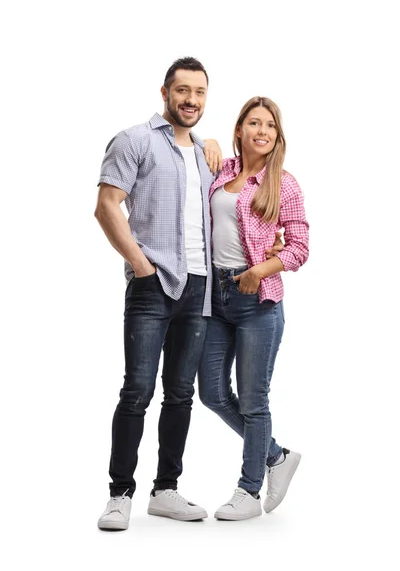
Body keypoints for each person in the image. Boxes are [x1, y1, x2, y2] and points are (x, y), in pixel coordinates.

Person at [95, 58, 283, 530]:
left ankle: (166, 489)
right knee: (137, 389)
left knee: (181, 394)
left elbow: (247, 193)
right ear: (165, 92)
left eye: (199, 92)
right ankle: (120, 494)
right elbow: (106, 205)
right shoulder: (134, 140)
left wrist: (272, 246)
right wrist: (140, 265)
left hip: (202, 290)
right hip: (151, 285)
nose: (191, 100)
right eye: (183, 91)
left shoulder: (206, 152)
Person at [198, 96, 309, 521]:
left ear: (277, 136)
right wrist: (207, 139)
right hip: (215, 296)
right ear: (240, 129)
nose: (262, 131)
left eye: (270, 126)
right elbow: (195, 153)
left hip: (257, 300)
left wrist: (259, 269)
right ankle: (277, 455)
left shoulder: (285, 184)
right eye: (254, 123)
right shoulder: (222, 170)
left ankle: (249, 490)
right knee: (211, 391)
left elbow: (299, 247)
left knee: (252, 399)